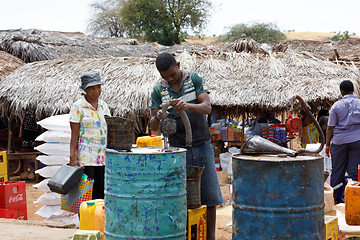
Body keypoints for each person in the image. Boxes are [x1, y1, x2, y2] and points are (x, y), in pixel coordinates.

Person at [149, 52, 223, 240]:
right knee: (180, 197)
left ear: (178, 65)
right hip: (177, 150)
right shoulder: (159, 90)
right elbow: (153, 126)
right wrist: (158, 116)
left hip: (202, 145)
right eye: (165, 77)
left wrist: (188, 106)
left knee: (209, 196)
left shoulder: (194, 79)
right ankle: (185, 235)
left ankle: (210, 237)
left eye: (172, 74)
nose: (170, 79)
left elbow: (207, 106)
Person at [69, 70, 111, 200]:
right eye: (92, 88)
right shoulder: (78, 107)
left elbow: (109, 130)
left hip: (102, 158)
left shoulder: (104, 106)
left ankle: (98, 220)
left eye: (98, 87)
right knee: (85, 196)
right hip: (86, 158)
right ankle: (85, 220)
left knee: (100, 194)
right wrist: (72, 157)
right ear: (85, 90)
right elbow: (74, 134)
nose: (96, 91)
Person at [326, 80, 360, 203]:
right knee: (355, 171)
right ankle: (354, 201)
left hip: (339, 141)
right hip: (357, 140)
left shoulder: (336, 106)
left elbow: (330, 127)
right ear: (353, 90)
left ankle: (333, 201)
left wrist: (327, 144)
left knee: (337, 170)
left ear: (342, 92)